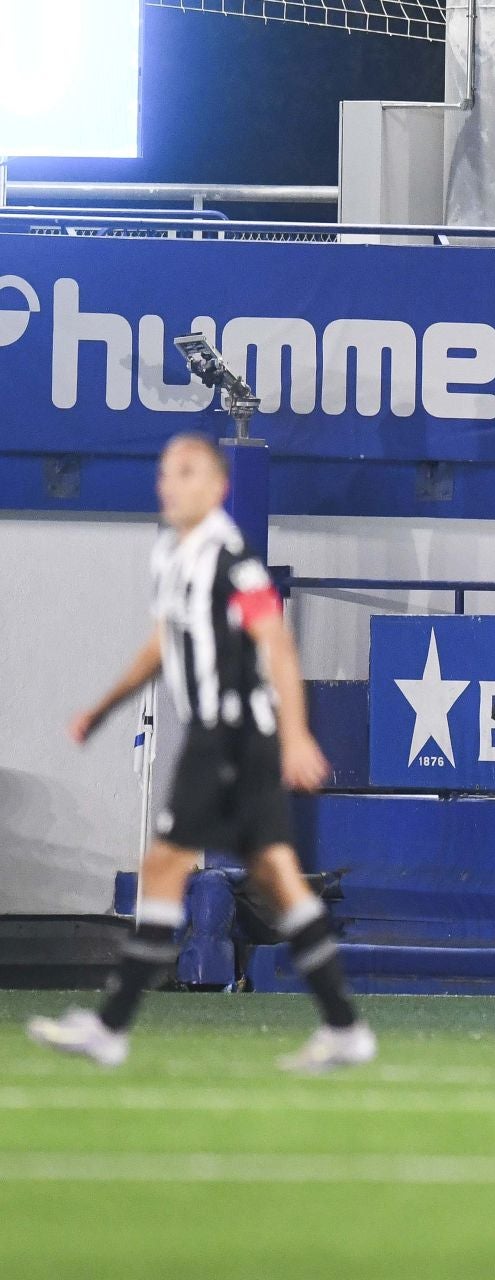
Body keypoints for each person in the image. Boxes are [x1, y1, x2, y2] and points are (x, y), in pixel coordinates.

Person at [28, 435, 372, 1072]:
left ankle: (111, 1026)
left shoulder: (229, 558)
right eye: (165, 472)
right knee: (274, 875)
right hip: (216, 737)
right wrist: (104, 708)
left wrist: (297, 734)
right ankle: (345, 1026)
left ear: (216, 487)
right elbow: (161, 644)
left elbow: (276, 644)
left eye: (185, 472)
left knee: (166, 865)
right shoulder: (172, 553)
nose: (169, 483)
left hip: (232, 735)